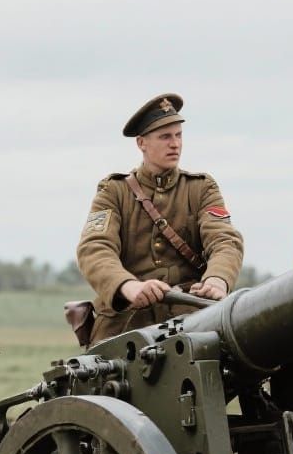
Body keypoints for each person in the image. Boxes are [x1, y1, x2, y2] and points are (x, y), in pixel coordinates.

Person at [76, 93, 243, 344]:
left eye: (178, 135)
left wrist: (216, 280)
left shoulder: (201, 188)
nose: (175, 144)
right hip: (126, 326)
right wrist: (127, 287)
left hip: (192, 326)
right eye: (165, 137)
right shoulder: (114, 191)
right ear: (141, 143)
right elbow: (94, 248)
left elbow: (224, 240)